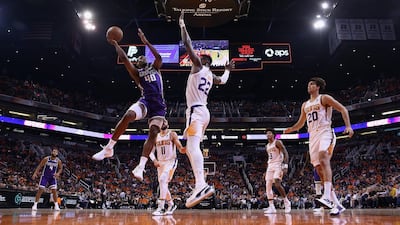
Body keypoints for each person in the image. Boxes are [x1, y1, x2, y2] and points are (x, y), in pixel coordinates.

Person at [92, 28, 167, 182]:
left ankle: (141, 167)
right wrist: (115, 44)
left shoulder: (155, 68)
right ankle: (109, 148)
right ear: (138, 64)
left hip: (158, 106)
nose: (140, 58)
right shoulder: (137, 74)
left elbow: (158, 56)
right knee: (129, 115)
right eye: (138, 58)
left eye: (142, 56)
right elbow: (125, 59)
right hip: (145, 101)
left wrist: (145, 42)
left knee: (153, 131)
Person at [179, 11, 235, 208]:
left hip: (195, 111)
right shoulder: (212, 76)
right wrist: (227, 69)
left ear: (203, 62)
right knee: (191, 148)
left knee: (192, 148)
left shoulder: (199, 68)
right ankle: (199, 184)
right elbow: (224, 80)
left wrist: (182, 24)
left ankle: (201, 184)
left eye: (198, 58)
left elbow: (187, 44)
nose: (194, 59)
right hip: (204, 113)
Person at [284, 77, 353, 215]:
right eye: (308, 84)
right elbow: (301, 122)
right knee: (319, 170)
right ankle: (337, 204)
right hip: (313, 136)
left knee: (323, 157)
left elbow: (343, 109)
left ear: (318, 87)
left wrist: (348, 126)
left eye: (312, 84)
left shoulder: (324, 98)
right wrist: (291, 129)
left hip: (325, 131)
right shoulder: (305, 104)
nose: (309, 86)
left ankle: (326, 197)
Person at [149, 120, 186, 216]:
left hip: (171, 162)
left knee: (162, 180)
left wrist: (184, 149)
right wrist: (154, 160)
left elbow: (179, 147)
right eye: (161, 121)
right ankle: (171, 204)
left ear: (168, 124)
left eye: (165, 121)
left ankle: (161, 207)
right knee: (163, 184)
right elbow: (150, 150)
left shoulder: (172, 134)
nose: (163, 122)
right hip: (160, 163)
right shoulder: (155, 136)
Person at [263, 128, 291, 214]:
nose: (268, 135)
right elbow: (269, 158)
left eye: (270, 133)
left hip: (278, 164)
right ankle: (271, 207)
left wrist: (285, 165)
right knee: (268, 185)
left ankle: (286, 202)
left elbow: (285, 152)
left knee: (277, 183)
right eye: (267, 133)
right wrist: (266, 170)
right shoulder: (267, 146)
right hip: (270, 166)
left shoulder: (277, 142)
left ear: (273, 134)